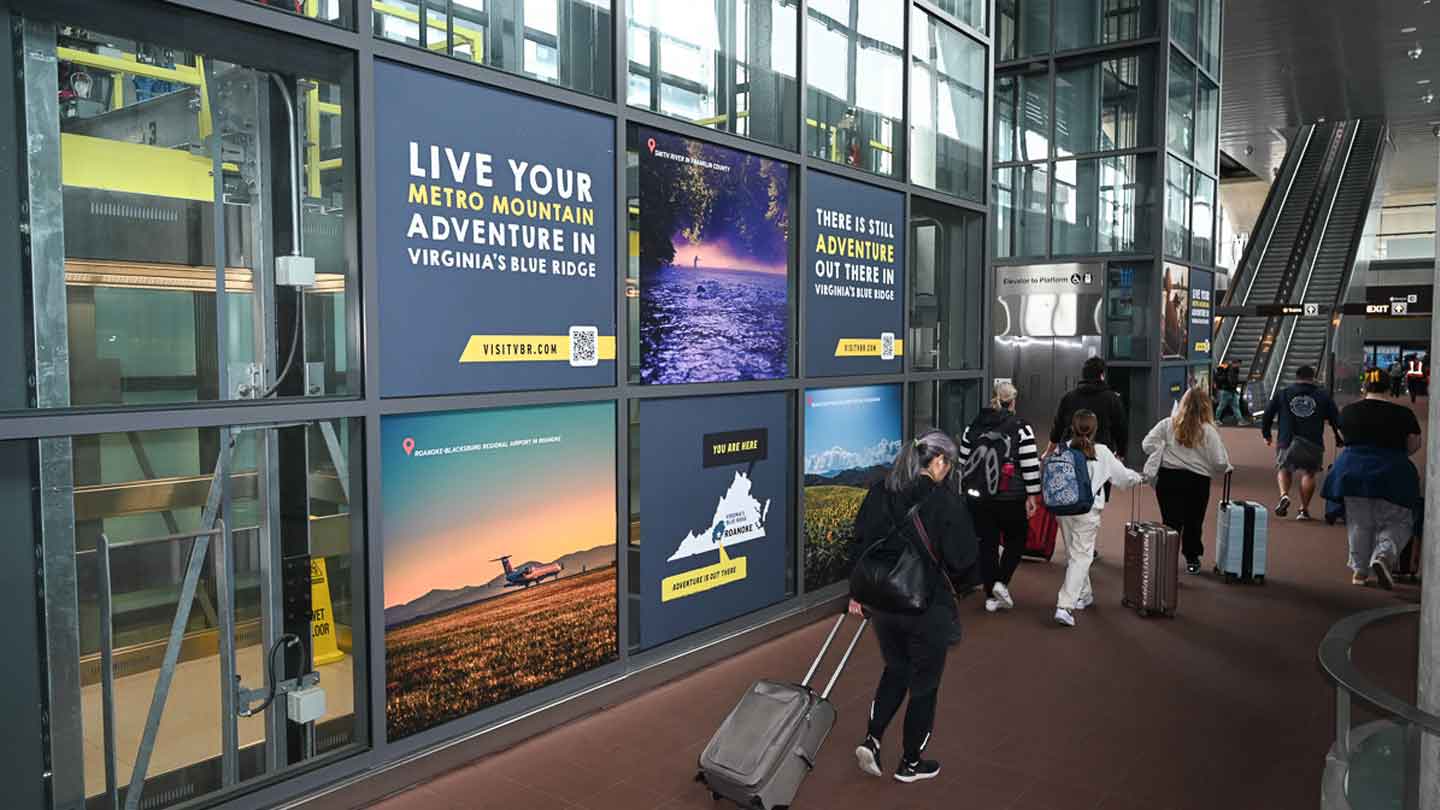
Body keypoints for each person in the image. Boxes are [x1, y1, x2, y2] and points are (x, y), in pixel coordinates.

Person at [849, 429, 978, 784]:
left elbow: (860, 542)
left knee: (896, 668)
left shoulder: (881, 491)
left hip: (883, 604)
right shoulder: (944, 502)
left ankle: (873, 739)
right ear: (937, 461)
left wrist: (857, 594)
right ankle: (910, 762)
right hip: (925, 606)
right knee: (925, 683)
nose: (947, 472)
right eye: (947, 465)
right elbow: (963, 559)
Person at [1324, 378, 1423, 588]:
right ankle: (1384, 555)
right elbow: (1414, 444)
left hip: (1352, 471)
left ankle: (1359, 572)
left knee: (1359, 523)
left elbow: (1343, 437)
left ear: (1364, 388)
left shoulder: (1349, 411)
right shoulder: (1403, 413)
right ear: (1389, 388)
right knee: (1399, 521)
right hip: (1392, 472)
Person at [958, 381, 1042, 614]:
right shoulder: (1022, 428)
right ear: (1012, 402)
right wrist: (1032, 495)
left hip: (979, 498)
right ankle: (1000, 583)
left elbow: (964, 463)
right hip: (1011, 497)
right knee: (1017, 537)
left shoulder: (972, 427)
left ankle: (990, 596)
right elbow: (1029, 465)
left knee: (988, 544)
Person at [1053, 410, 1142, 628]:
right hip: (1087, 511)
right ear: (1095, 429)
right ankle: (1065, 606)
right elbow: (1123, 478)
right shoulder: (1101, 451)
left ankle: (1085, 594)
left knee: (1074, 553)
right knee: (1081, 557)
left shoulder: (1062, 448)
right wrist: (1140, 478)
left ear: (1073, 427)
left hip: (1063, 509)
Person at [1142, 387, 1234, 575]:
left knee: (1170, 521)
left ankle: (1167, 560)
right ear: (1206, 407)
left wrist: (1162, 448)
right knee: (1194, 521)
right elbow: (1219, 462)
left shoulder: (1168, 424)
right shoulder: (1209, 431)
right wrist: (1219, 468)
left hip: (1169, 479)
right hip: (1197, 482)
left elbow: (1146, 445)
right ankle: (1192, 559)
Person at [1261, 365, 1341, 521]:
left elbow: (1268, 414)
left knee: (1284, 469)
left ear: (1296, 377)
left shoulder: (1283, 393)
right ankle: (1303, 510)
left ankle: (1284, 495)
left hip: (1287, 440)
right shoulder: (1323, 396)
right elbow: (1335, 420)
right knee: (1309, 473)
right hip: (1313, 441)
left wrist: (1267, 434)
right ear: (1313, 377)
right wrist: (1338, 438)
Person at [1050, 357, 1129, 460]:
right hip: (1101, 457)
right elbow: (1121, 430)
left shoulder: (1068, 398)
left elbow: (1057, 429)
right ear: (1102, 375)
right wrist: (1121, 453)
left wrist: (1051, 449)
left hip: (1070, 456)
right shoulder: (1112, 399)